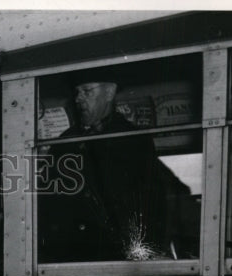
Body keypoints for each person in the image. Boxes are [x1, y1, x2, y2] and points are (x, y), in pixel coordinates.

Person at [39, 78, 172, 262]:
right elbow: (47, 202)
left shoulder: (134, 139)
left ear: (109, 93)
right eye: (77, 92)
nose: (78, 98)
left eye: (87, 91)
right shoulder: (64, 141)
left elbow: (153, 199)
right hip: (72, 255)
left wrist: (150, 251)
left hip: (118, 255)